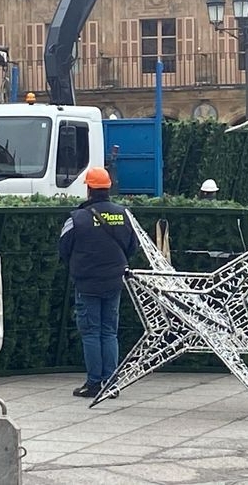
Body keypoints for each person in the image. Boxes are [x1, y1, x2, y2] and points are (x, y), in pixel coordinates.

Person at [58, 166, 138, 398]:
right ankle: (111, 383)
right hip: (115, 281)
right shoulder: (124, 214)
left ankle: (94, 383)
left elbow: (64, 248)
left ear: (89, 189)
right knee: (109, 332)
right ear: (108, 188)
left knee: (91, 332)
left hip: (87, 283)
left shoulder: (77, 218)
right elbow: (133, 246)